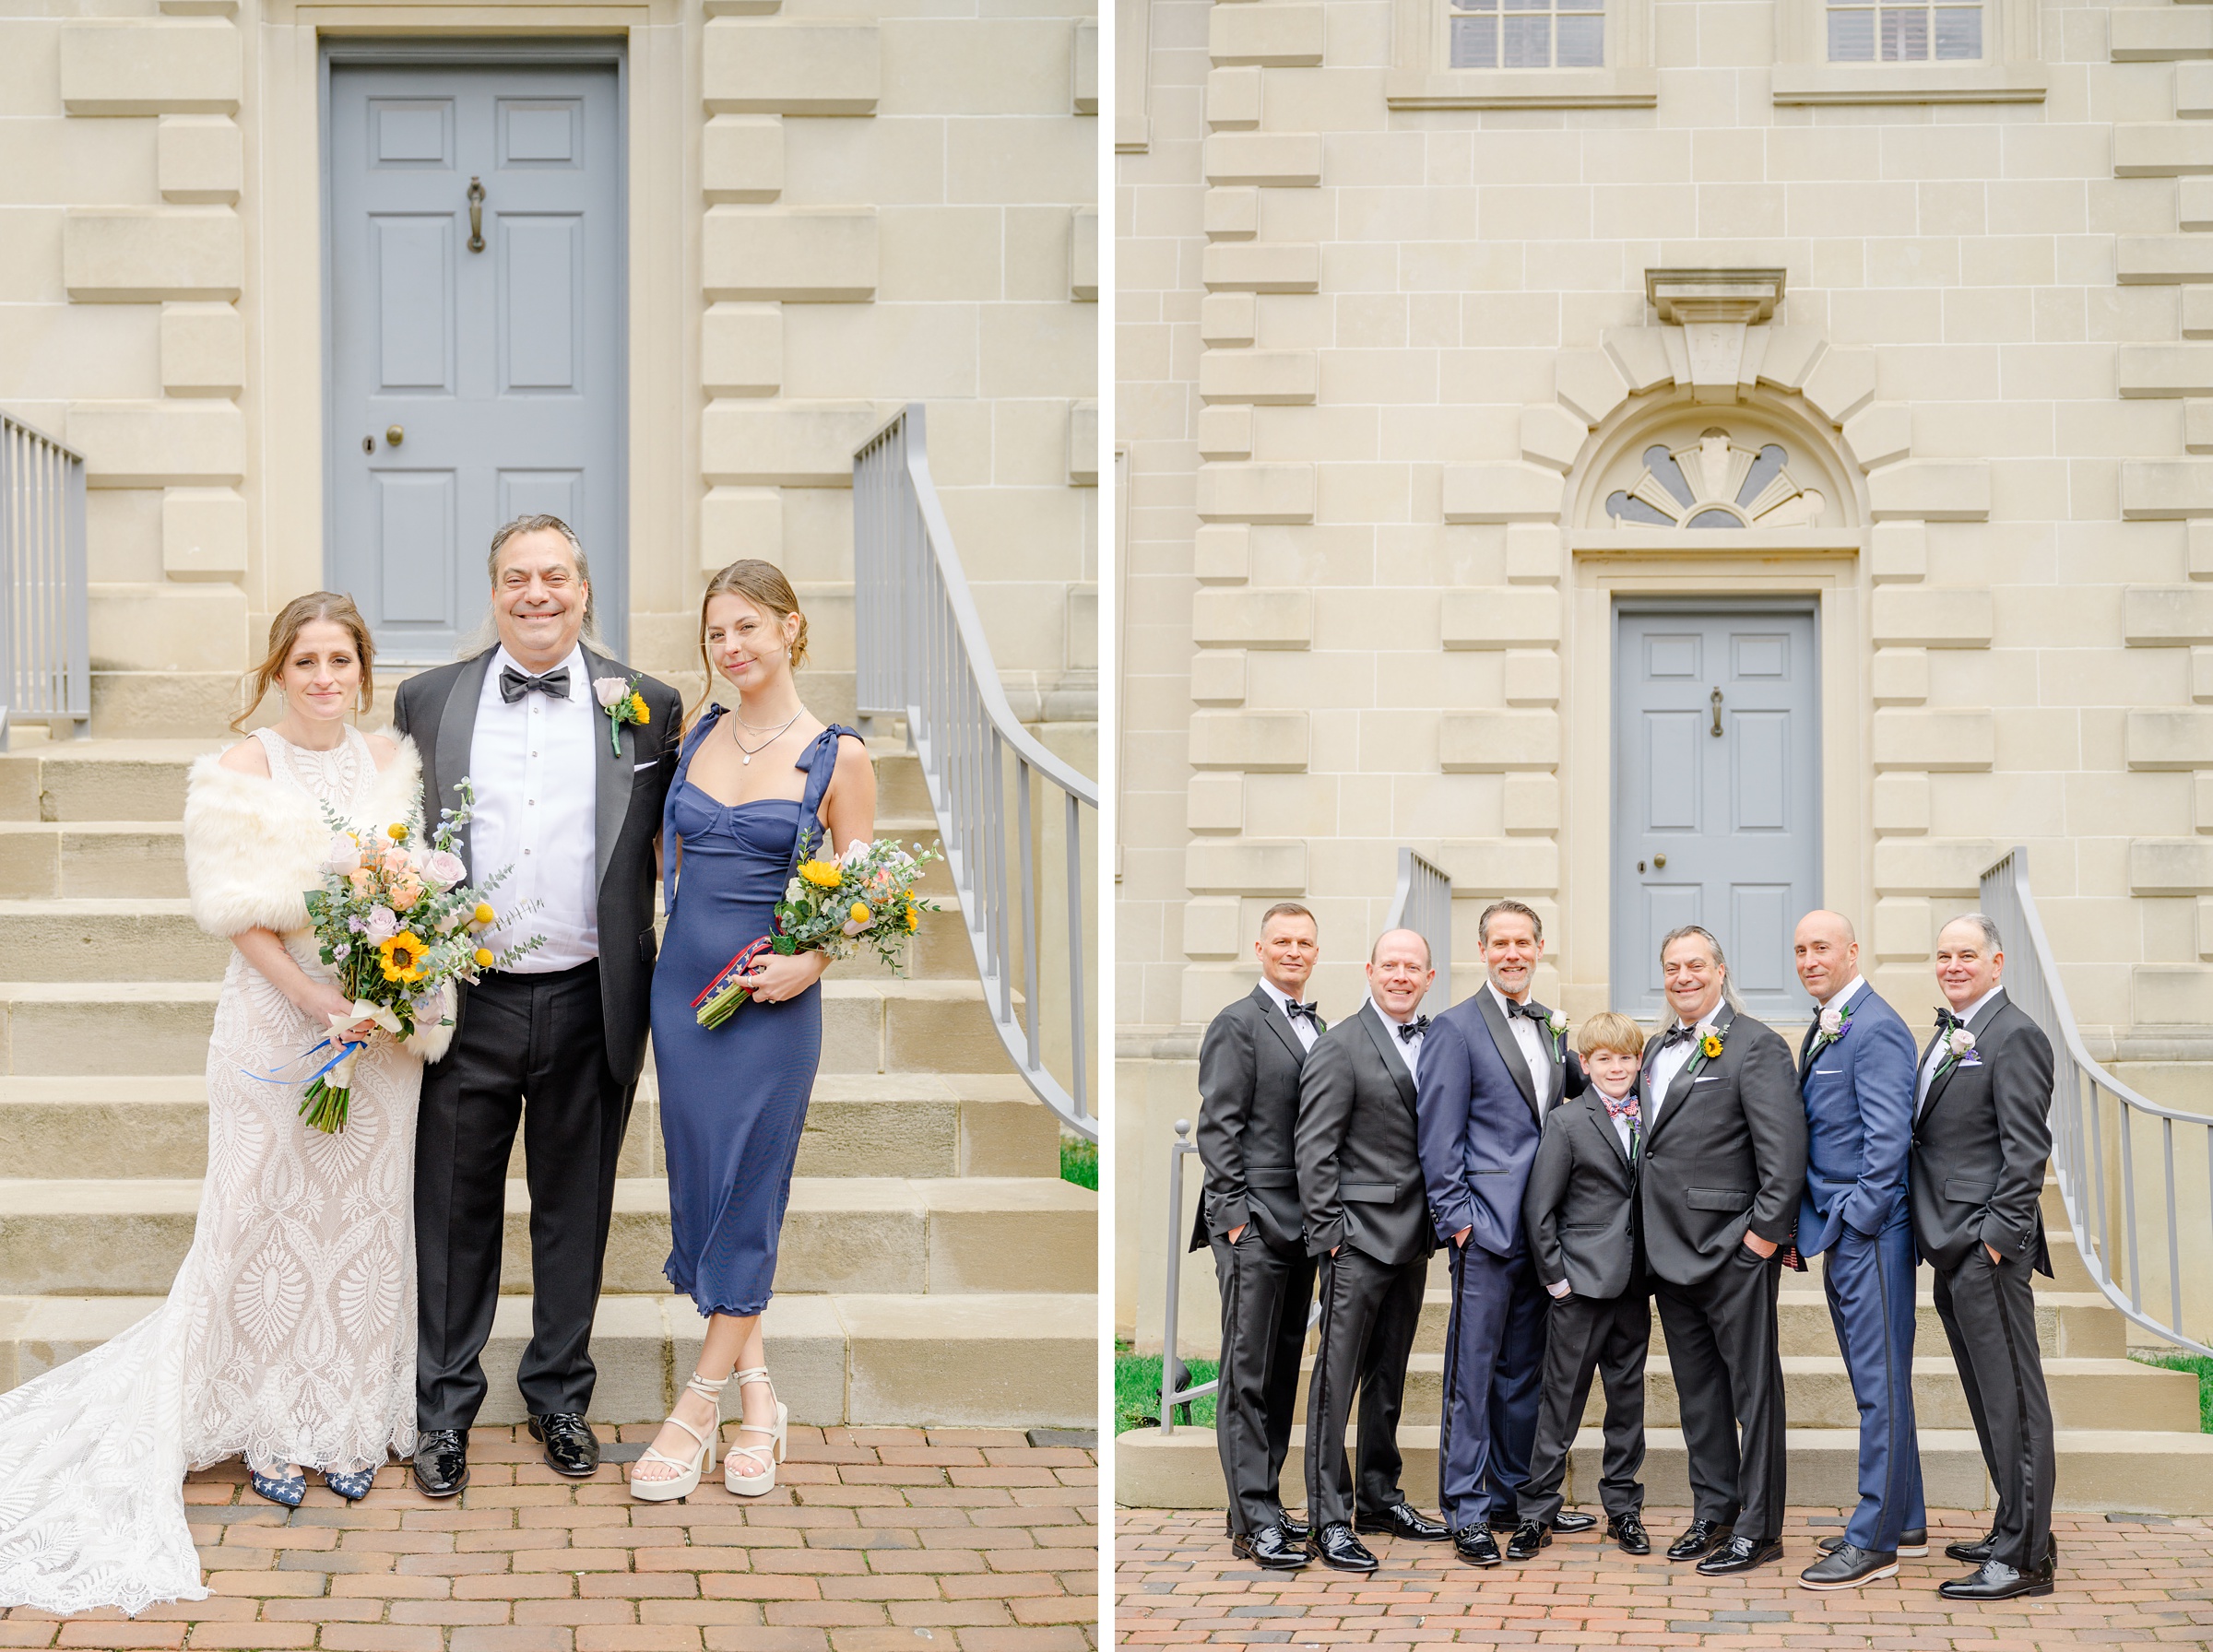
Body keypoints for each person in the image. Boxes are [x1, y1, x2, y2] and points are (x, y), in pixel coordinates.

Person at [0, 595, 431, 1612]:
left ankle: (346, 1420)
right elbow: (237, 914)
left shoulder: (393, 764)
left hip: (379, 1037)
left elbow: (417, 891)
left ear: (364, 669)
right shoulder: (238, 771)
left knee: (363, 1221)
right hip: (279, 1023)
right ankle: (273, 1420)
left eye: (340, 660)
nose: (324, 677)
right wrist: (316, 998)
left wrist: (382, 999)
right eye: (305, 661)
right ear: (278, 672)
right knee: (260, 1222)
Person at [395, 515, 682, 1497]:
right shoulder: (426, 699)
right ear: (494, 591)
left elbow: (672, 849)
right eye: (517, 578)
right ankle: (443, 1411)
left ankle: (560, 1394)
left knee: (574, 1211)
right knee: (452, 1210)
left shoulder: (647, 705)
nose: (536, 594)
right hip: (466, 1000)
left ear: (584, 589)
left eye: (554, 576)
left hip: (588, 995)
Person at [627, 560, 874, 1501]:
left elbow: (866, 892)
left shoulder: (837, 754)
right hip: (683, 995)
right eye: (717, 634)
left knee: (748, 1192)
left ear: (791, 628)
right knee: (702, 1188)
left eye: (748, 629)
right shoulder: (693, 739)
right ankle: (761, 1400)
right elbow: (664, 857)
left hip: (771, 1003)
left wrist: (811, 960)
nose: (732, 648)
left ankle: (696, 1408)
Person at [1414, 898, 1589, 1567]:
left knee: (1525, 1374)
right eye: (1500, 943)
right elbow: (1438, 1137)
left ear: (1539, 949)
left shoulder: (1550, 1027)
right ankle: (1466, 1507)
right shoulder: (1455, 1029)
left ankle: (1514, 1497)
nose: (1512, 953)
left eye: (1524, 942)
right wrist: (1457, 1222)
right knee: (1473, 1373)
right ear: (1482, 951)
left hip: (1542, 1233)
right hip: (1483, 1231)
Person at [1637, 925, 1806, 1576]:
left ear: (1720, 970)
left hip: (1733, 1249)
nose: (1683, 977)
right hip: (1668, 1251)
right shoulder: (1653, 1050)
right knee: (1697, 1392)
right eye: (1672, 967)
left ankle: (1761, 1529)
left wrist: (1760, 1239)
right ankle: (1715, 1511)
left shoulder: (1756, 1045)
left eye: (1695, 966)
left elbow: (1783, 1155)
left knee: (1752, 1392)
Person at [1293, 927, 1450, 1572]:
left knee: (1389, 1378)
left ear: (1429, 977)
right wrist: (1329, 1236)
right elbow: (1315, 1149)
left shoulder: (1438, 1041)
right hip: (1355, 1239)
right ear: (1369, 970)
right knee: (1336, 1382)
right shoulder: (1340, 1046)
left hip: (1413, 1238)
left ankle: (1382, 1499)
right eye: (1391, 964)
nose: (1402, 975)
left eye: (1414, 966)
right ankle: (1328, 1518)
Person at [1911, 914, 2059, 1601]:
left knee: (2015, 1403)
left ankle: (2026, 1559)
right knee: (1987, 1400)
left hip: (1985, 1246)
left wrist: (1997, 1237)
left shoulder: (2015, 1034)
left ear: (1997, 962)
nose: (1953, 965)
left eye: (1966, 955)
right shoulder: (1950, 1033)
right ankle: (2015, 1526)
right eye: (1944, 955)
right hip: (1950, 1244)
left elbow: (2027, 1148)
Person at [1791, 911, 1927, 1591]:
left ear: (1851, 951)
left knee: (1878, 1387)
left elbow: (1888, 1137)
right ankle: (1906, 1518)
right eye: (1800, 950)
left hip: (1868, 1231)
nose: (1810, 959)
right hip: (1840, 1226)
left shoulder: (1872, 1027)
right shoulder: (1829, 1020)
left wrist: (1860, 1219)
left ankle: (1874, 1539)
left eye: (1822, 947)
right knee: (1880, 1380)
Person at [1191, 903, 1325, 1569]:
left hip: (1302, 1224)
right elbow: (1218, 1126)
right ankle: (1253, 1520)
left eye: (1304, 942)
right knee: (1246, 1372)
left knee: (1279, 1370)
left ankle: (1261, 1502)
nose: (1293, 951)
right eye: (1283, 941)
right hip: (1253, 1224)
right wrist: (1235, 1217)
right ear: (1260, 948)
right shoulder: (1238, 1023)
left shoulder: (1316, 1026)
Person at [1517, 1011, 1652, 1561]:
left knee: (1627, 1402)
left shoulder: (1654, 1116)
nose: (1616, 1067)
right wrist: (1555, 1280)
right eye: (1604, 1059)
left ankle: (1624, 1510)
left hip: (1636, 1283)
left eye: (1625, 1058)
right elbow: (1539, 1208)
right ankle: (1536, 1511)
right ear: (1585, 1064)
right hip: (1579, 1286)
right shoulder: (1568, 1121)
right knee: (1561, 1402)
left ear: (1638, 1062)